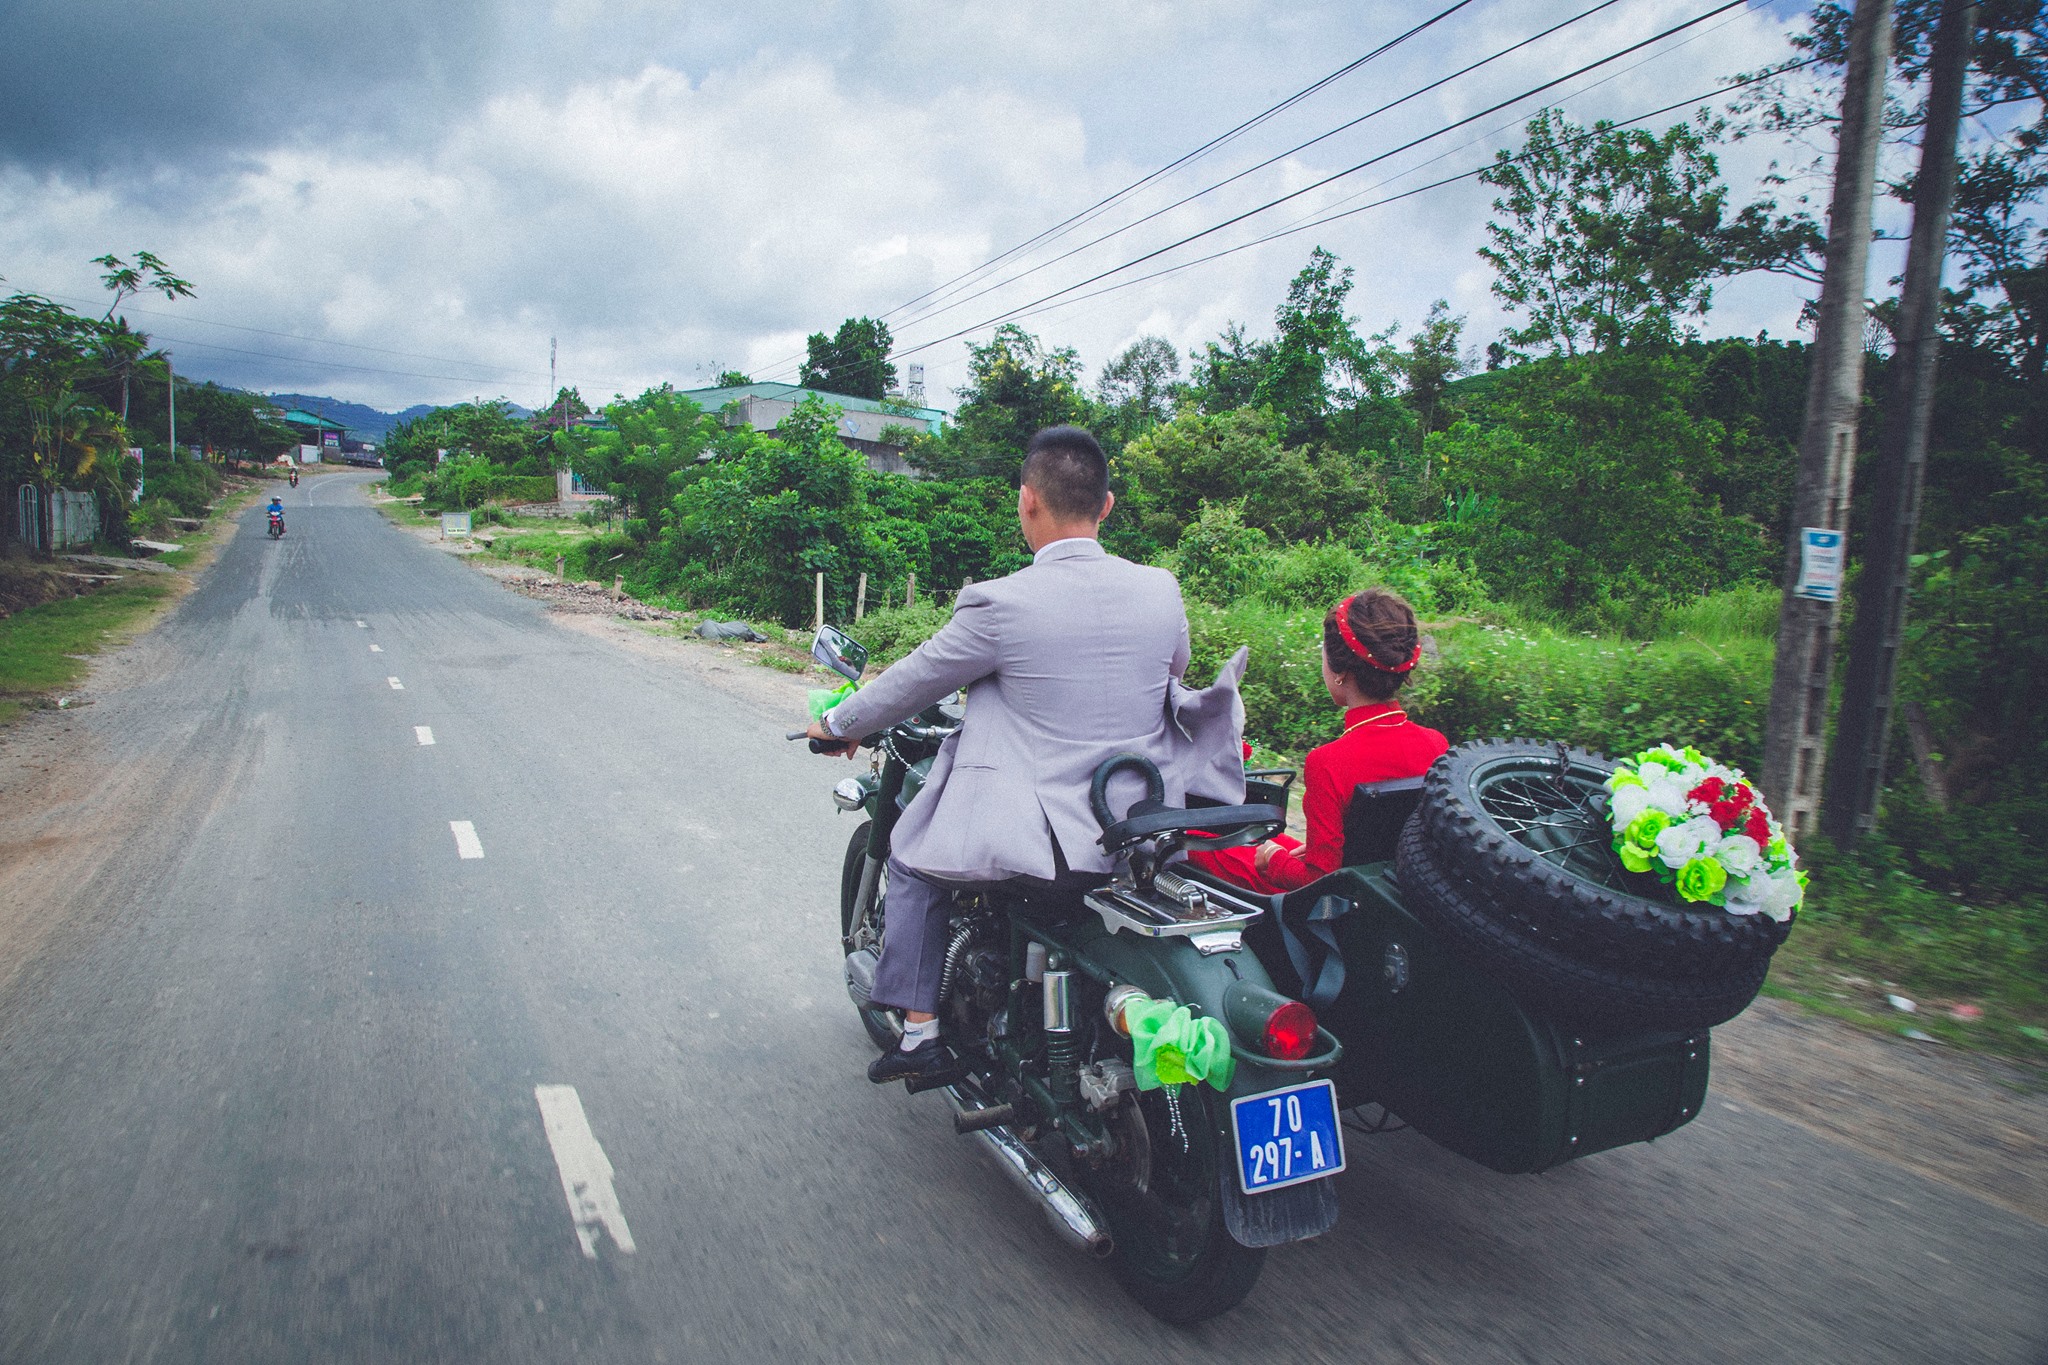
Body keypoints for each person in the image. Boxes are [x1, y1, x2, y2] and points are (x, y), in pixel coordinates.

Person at [804, 426, 1247, 1083]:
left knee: (913, 858)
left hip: (1047, 849)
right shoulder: (1161, 590)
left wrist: (835, 722)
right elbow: (1171, 668)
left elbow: (914, 679)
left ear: (1027, 501)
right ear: (1107, 506)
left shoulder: (999, 602)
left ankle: (919, 1031)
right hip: (1142, 833)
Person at [1187, 589, 1447, 896]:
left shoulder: (1329, 762)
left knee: (1192, 840)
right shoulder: (1436, 744)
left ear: (1340, 672)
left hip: (1338, 901)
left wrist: (1274, 861)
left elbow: (1318, 881)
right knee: (1267, 839)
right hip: (1391, 885)